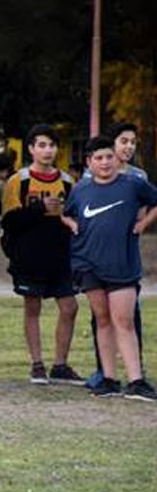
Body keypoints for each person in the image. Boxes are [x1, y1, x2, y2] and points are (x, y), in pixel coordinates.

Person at [61, 135, 157, 401]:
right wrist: (71, 224)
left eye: (108, 157)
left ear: (117, 159)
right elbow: (67, 213)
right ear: (90, 163)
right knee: (102, 319)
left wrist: (143, 224)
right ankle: (109, 379)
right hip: (87, 263)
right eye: (98, 158)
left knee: (123, 321)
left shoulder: (133, 185)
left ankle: (136, 381)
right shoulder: (81, 189)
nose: (104, 163)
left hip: (122, 264)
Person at [0, 125, 83, 386]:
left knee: (70, 307)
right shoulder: (19, 181)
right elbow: (10, 222)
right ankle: (37, 364)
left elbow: (74, 216)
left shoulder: (69, 182)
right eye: (42, 145)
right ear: (31, 149)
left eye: (52, 145)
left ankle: (60, 364)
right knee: (32, 306)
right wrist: (39, 208)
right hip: (30, 256)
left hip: (60, 256)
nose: (48, 151)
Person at [81, 122, 149, 389]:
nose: (129, 147)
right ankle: (104, 371)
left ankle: (136, 371)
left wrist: (139, 225)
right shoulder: (91, 178)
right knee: (101, 316)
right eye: (124, 141)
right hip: (96, 258)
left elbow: (142, 210)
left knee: (129, 315)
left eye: (133, 142)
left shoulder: (137, 178)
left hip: (124, 256)